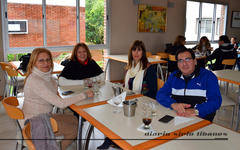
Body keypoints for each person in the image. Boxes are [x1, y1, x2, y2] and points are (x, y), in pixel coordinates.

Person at [21, 48, 94, 150]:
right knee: (75, 129)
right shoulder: (35, 80)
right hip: (35, 121)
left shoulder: (46, 76)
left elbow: (53, 92)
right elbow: (61, 104)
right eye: (41, 60)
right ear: (33, 63)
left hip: (44, 115)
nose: (46, 63)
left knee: (74, 119)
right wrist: (84, 95)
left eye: (48, 60)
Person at [156, 48, 222, 122]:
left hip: (200, 118)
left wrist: (196, 111)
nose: (184, 64)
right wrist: (173, 104)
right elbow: (160, 94)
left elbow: (216, 101)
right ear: (177, 64)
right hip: (177, 116)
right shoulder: (174, 76)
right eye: (180, 60)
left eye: (187, 59)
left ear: (195, 61)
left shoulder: (208, 77)